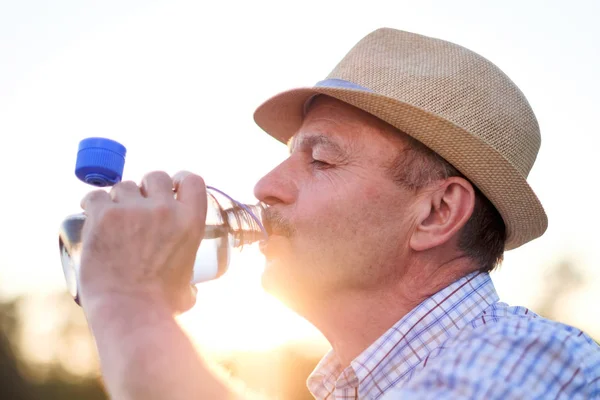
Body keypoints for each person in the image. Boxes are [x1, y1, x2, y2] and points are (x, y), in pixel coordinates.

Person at [77, 28, 600, 399]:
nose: (265, 186)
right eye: (288, 156)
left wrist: (126, 301)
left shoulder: (528, 361)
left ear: (438, 212)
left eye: (321, 160)